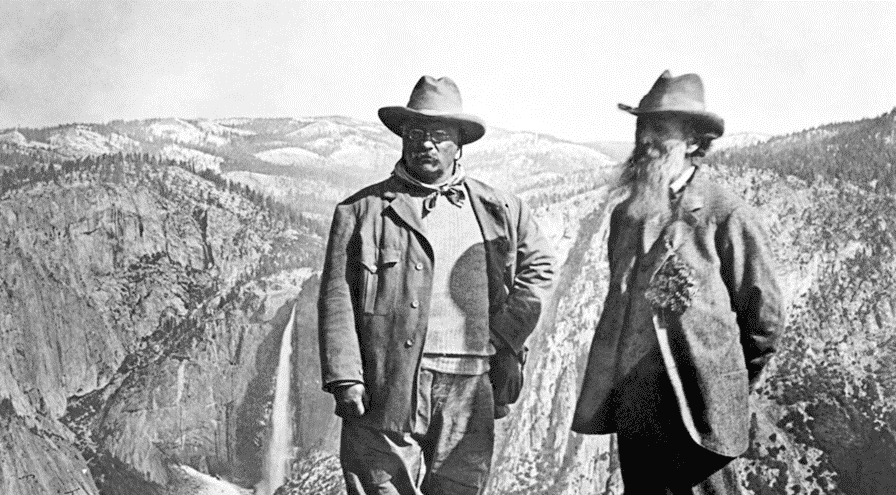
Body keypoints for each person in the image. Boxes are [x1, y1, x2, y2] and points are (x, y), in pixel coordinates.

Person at [318, 75, 556, 495]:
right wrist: (345, 378)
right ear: (403, 139)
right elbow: (337, 297)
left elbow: (540, 271)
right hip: (386, 382)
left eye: (439, 135)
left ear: (459, 143)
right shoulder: (360, 212)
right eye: (416, 134)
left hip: (471, 384)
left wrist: (504, 333)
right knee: (380, 487)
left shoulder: (500, 209)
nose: (426, 144)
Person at [571, 70, 785, 494]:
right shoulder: (625, 216)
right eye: (642, 127)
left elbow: (764, 321)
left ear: (693, 142)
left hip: (698, 416)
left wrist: (723, 386)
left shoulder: (726, 215)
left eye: (661, 129)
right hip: (636, 409)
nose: (646, 139)